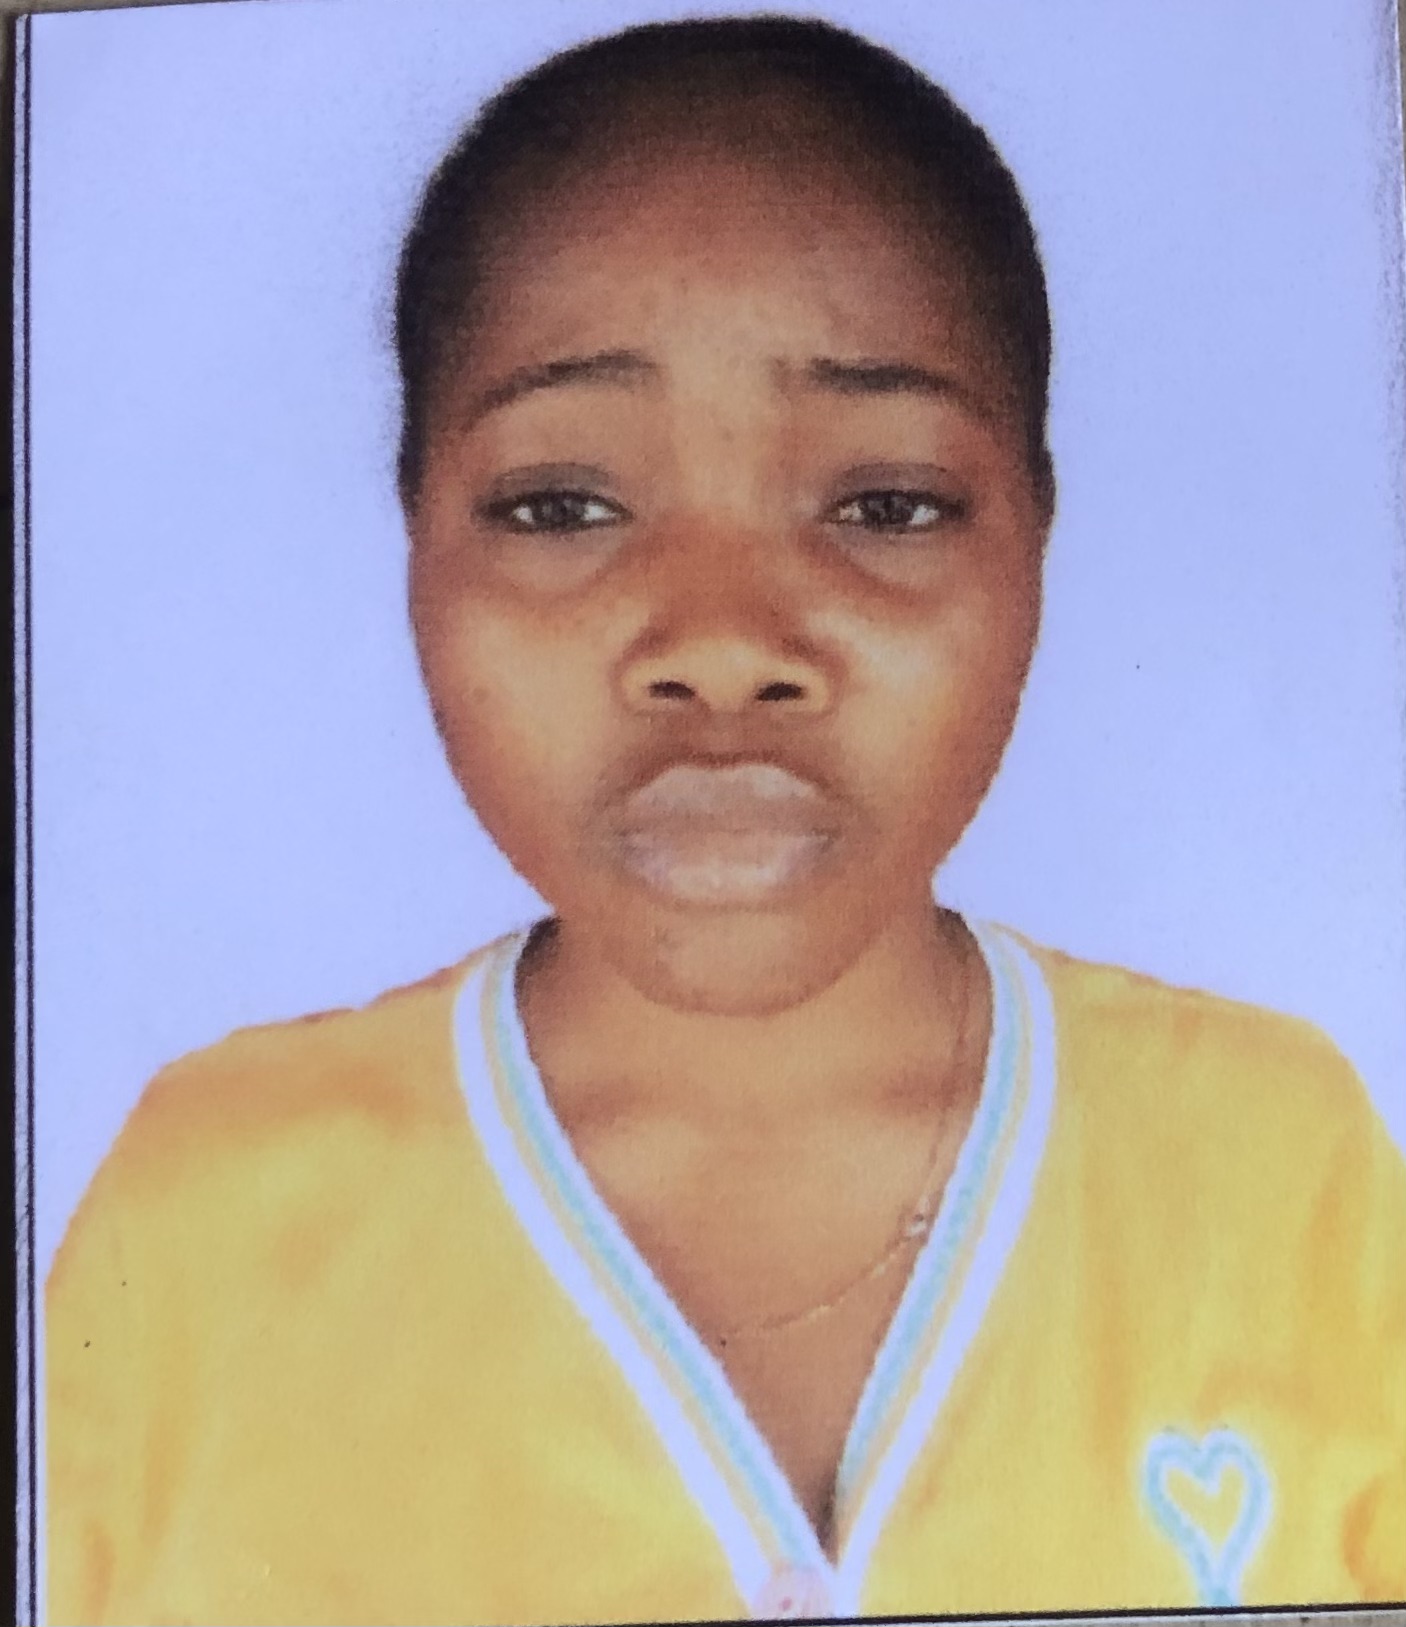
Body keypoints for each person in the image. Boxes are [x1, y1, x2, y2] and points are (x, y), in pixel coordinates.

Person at [46, 14, 1406, 1624]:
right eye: (562, 505)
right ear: (414, 537)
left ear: (1035, 535)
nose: (720, 644)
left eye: (884, 504)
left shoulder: (1273, 1165)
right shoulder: (204, 1221)